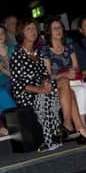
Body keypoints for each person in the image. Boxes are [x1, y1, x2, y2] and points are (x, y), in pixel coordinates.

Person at [40, 17, 86, 141]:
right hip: (59, 83)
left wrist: (73, 71)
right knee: (80, 91)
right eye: (55, 28)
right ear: (49, 31)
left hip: (74, 80)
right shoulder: (45, 50)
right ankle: (82, 128)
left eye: (60, 27)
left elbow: (76, 66)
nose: (58, 30)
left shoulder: (68, 45)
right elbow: (49, 75)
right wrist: (64, 74)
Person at [10, 18, 63, 152]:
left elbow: (45, 74)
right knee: (44, 98)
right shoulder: (17, 55)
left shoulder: (38, 53)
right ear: (21, 33)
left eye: (34, 28)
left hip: (40, 88)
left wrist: (46, 83)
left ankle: (58, 133)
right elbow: (20, 84)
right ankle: (47, 140)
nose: (33, 32)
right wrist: (40, 90)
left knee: (56, 91)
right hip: (25, 93)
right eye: (28, 29)